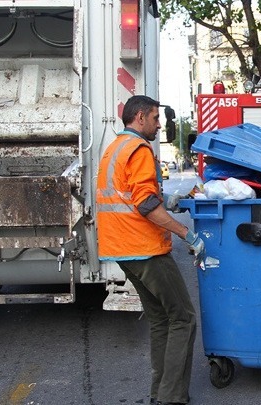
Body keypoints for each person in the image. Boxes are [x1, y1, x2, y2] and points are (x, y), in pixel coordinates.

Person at [95, 95, 205, 404]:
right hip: (145, 248)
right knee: (183, 318)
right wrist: (187, 234)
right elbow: (144, 205)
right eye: (156, 118)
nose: (159, 124)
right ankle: (172, 397)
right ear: (140, 117)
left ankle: (159, 393)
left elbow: (131, 195)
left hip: (122, 250)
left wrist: (167, 199)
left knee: (160, 319)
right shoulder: (140, 149)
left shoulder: (115, 148)